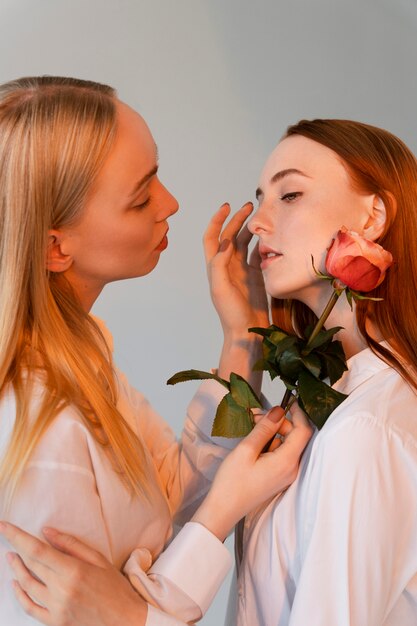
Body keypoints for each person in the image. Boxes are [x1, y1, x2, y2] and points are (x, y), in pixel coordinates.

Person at [4, 110, 416, 624]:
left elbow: (176, 496)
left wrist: (133, 619)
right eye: (140, 194)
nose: (257, 221)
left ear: (374, 216)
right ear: (55, 246)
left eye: (288, 194)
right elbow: (181, 507)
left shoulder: (364, 423)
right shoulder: (37, 409)